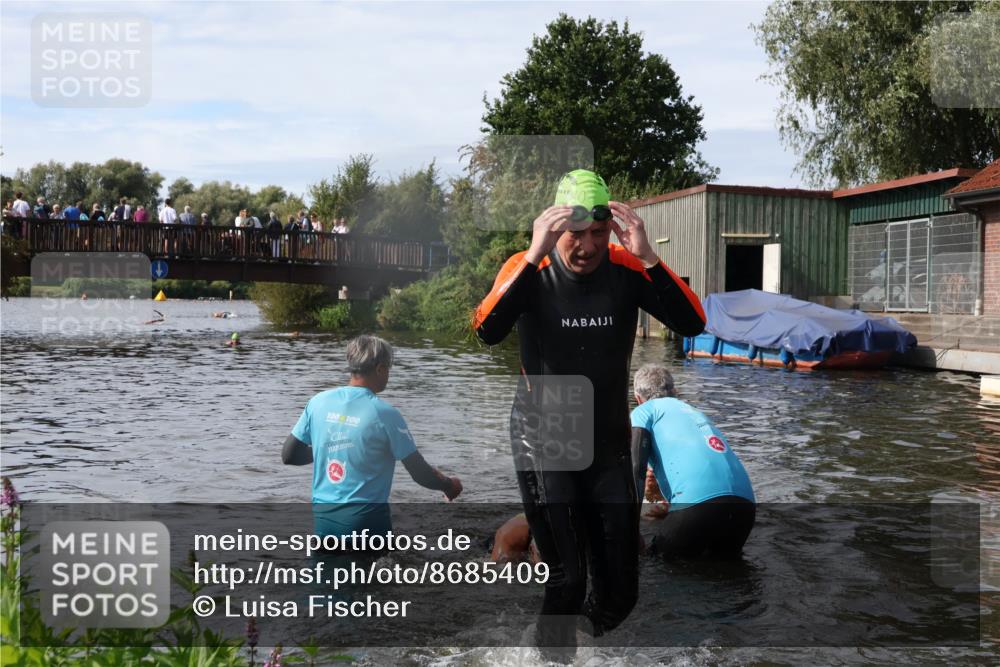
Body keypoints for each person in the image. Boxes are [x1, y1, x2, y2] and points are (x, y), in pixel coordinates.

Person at [473, 169, 706, 652]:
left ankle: (567, 648)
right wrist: (535, 252)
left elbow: (693, 322)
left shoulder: (625, 267)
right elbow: (487, 330)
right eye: (574, 233)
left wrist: (650, 256)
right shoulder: (527, 268)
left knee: (621, 593)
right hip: (545, 433)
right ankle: (552, 659)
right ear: (556, 227)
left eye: (597, 233)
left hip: (606, 440)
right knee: (567, 579)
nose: (587, 246)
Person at [281, 335, 462, 540]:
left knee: (327, 572)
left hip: (325, 525)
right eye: (388, 369)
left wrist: (333, 446)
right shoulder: (385, 414)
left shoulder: (318, 402)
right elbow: (419, 473)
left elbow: (289, 455)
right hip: (367, 525)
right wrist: (449, 485)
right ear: (379, 369)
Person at [630, 364, 756, 559]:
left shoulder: (644, 411)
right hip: (745, 506)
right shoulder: (695, 412)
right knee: (728, 572)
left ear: (638, 399)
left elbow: (636, 468)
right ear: (675, 392)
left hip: (698, 507)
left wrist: (631, 529)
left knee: (654, 564)